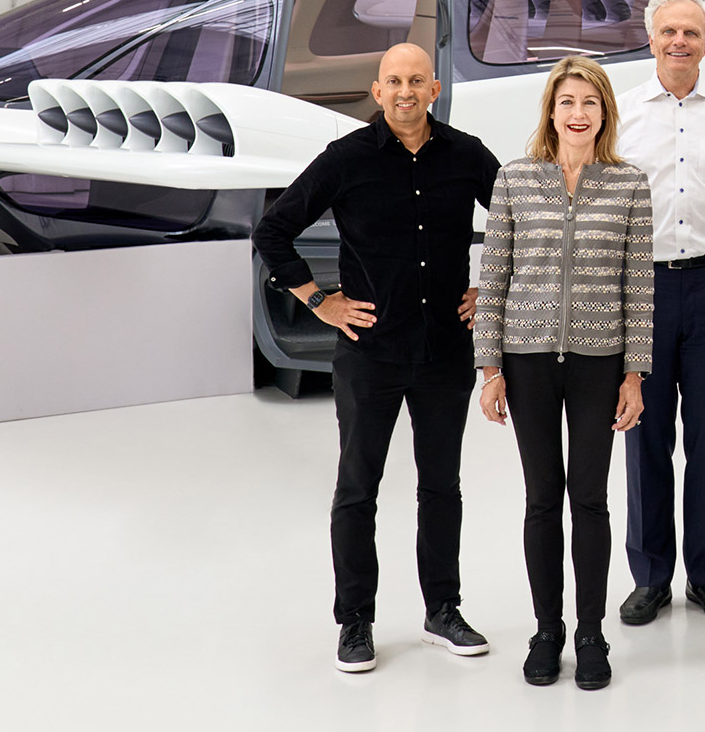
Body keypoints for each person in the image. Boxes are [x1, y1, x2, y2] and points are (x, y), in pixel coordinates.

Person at [252, 42, 500, 674]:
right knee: (357, 488)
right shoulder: (346, 159)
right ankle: (355, 622)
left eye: (417, 81)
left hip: (445, 349)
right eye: (394, 81)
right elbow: (273, 230)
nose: (406, 91)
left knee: (442, 486)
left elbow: (522, 221)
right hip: (371, 354)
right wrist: (318, 300)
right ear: (377, 89)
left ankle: (442, 610)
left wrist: (493, 287)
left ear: (435, 90)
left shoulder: (466, 155)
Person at [475, 56, 653, 690]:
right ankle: (547, 631)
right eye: (567, 102)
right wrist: (489, 366)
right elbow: (493, 277)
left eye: (590, 103)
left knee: (591, 498)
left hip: (598, 361)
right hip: (525, 359)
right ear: (550, 111)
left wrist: (635, 375)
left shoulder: (629, 183)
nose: (578, 114)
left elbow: (639, 285)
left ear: (605, 113)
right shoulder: (515, 180)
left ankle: (591, 633)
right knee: (541, 498)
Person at [614, 0, 705, 627]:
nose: (679, 42)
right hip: (641, 286)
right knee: (642, 432)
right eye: (669, 32)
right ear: (651, 41)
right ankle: (650, 577)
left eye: (691, 33)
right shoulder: (618, 111)